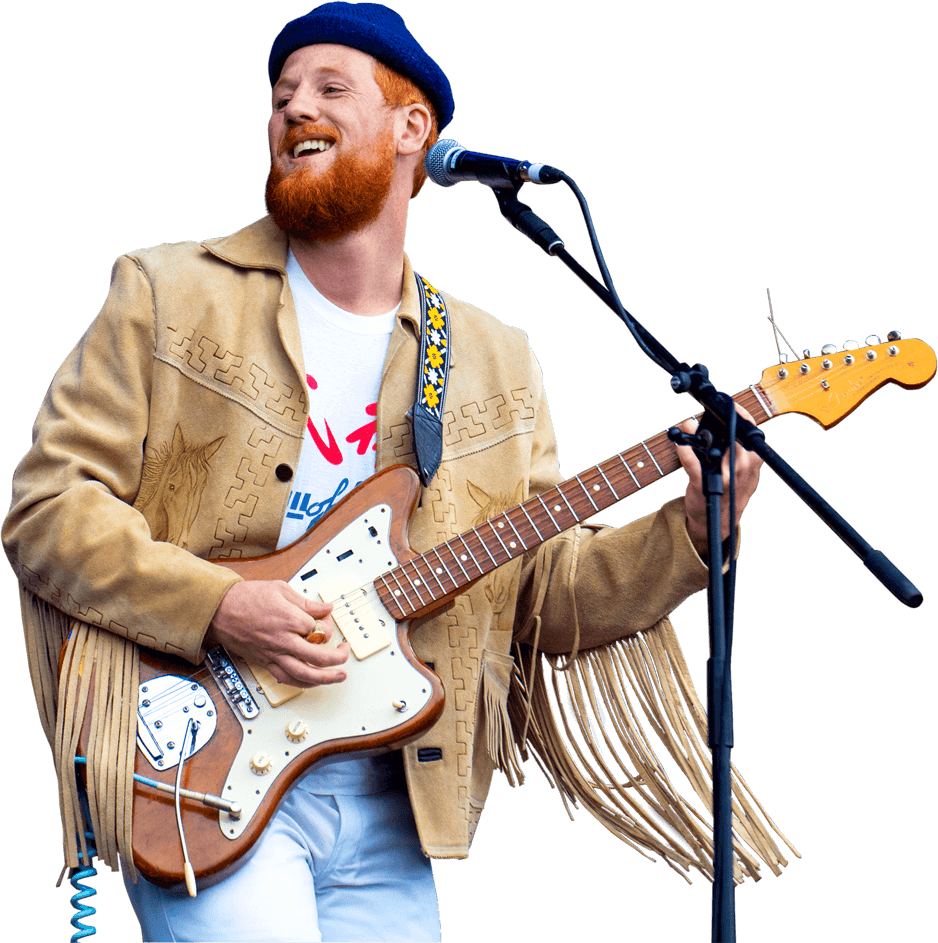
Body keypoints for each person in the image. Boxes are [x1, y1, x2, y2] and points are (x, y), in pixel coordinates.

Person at [2, 4, 794, 941]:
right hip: (203, 764)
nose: (296, 108)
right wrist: (217, 603)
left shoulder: (493, 356)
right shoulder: (169, 294)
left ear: (413, 131)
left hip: (394, 801)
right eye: (282, 95)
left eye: (331, 88)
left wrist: (693, 536)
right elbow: (48, 512)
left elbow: (542, 594)